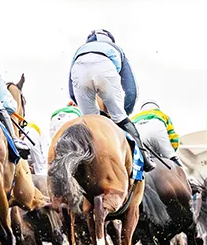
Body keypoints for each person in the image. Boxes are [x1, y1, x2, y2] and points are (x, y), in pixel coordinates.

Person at [67, 29, 152, 168]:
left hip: (79, 72)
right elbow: (131, 91)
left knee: (91, 122)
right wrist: (122, 114)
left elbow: (71, 93)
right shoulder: (116, 49)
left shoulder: (80, 50)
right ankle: (144, 159)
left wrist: (96, 114)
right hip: (105, 69)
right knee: (120, 116)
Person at [131, 101, 180, 166]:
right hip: (158, 129)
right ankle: (183, 172)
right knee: (173, 158)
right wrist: (172, 152)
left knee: (144, 162)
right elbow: (173, 138)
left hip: (139, 134)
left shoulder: (134, 117)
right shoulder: (162, 114)